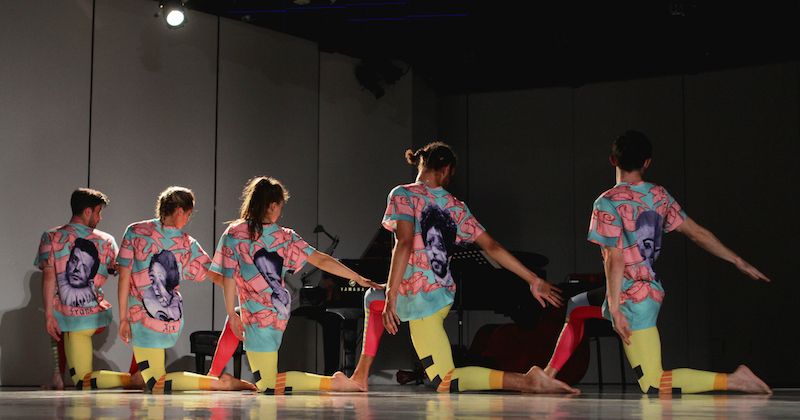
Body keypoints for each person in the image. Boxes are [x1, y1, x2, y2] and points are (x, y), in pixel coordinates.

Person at [543, 130, 772, 394]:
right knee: (575, 307)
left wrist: (615, 308)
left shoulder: (605, 203)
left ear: (613, 160)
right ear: (647, 163)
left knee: (652, 381)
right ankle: (549, 375)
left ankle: (734, 380)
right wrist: (737, 260)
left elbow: (614, 259)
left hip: (631, 302)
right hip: (643, 291)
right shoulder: (659, 195)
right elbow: (697, 233)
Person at [349, 142, 578, 393]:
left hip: (422, 299)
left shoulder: (402, 194)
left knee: (444, 381)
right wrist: (532, 279)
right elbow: (492, 247)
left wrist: (392, 294)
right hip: (438, 295)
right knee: (373, 297)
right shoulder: (456, 206)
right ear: (446, 169)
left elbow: (403, 243)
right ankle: (360, 374)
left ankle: (527, 380)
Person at [208, 176, 382, 394]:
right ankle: (213, 377)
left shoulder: (235, 233)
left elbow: (226, 275)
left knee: (268, 384)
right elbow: (321, 259)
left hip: (259, 316)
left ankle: (334, 383)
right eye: (280, 206)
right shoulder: (284, 236)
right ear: (272, 206)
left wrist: (234, 308)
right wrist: (357, 277)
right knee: (264, 375)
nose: (280, 211)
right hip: (277, 312)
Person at [117, 186, 255, 392]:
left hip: (143, 318)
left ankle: (220, 383)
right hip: (168, 319)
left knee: (155, 382)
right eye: (188, 215)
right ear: (179, 210)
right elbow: (213, 273)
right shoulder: (186, 242)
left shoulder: (135, 231)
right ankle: (219, 383)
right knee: (153, 381)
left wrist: (123, 318)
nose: (187, 220)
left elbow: (124, 276)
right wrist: (241, 289)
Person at [35, 188, 143, 390]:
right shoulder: (106, 240)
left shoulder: (50, 236)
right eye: (98, 212)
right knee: (60, 320)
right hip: (96, 315)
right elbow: (121, 272)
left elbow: (49, 276)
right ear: (87, 211)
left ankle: (130, 379)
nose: (100, 217)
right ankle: (58, 376)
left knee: (81, 379)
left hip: (75, 319)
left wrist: (48, 314)